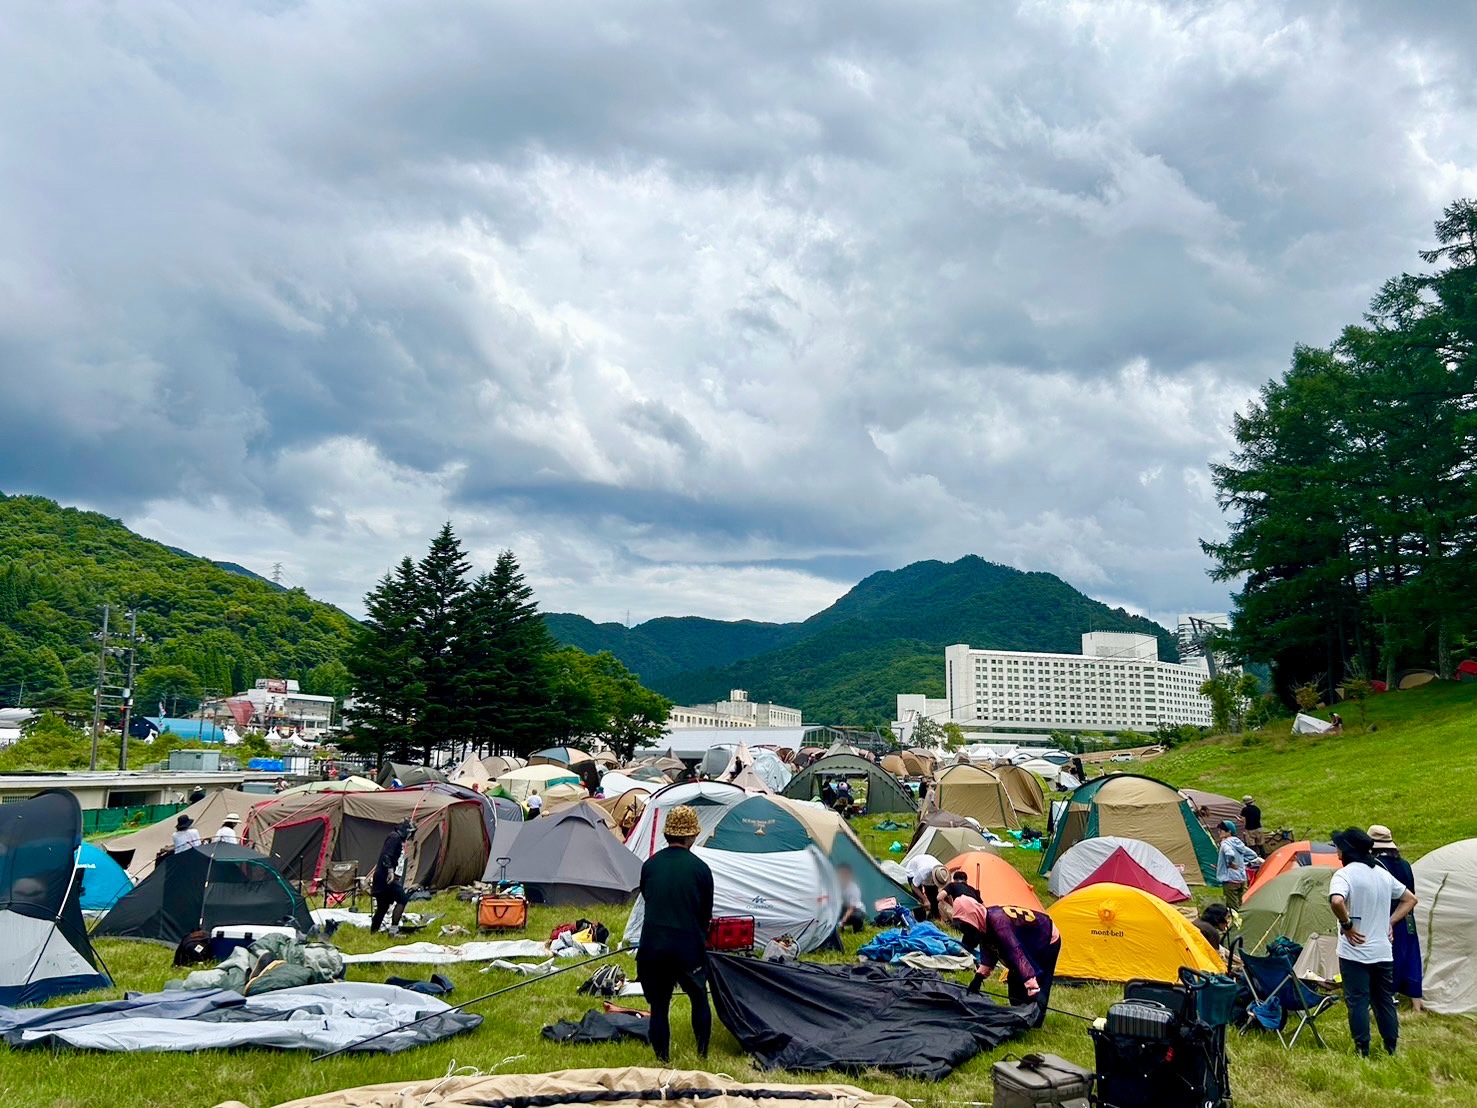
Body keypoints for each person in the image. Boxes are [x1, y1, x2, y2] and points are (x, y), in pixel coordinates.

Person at [1329, 827, 1418, 1057]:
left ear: (1345, 851)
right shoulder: (1381, 873)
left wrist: (1347, 925)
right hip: (1382, 951)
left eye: (1338, 845)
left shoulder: (1345, 874)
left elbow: (1337, 901)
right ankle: (1391, 1046)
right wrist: (1390, 922)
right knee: (1384, 1001)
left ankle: (1363, 1049)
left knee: (1357, 1001)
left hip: (1354, 952)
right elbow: (1410, 899)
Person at [637, 805, 714, 1063]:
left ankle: (662, 1060)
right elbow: (705, 914)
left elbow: (649, 898)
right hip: (687, 946)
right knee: (698, 998)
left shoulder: (650, 865)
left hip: (652, 946)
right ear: (691, 836)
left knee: (659, 1005)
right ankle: (702, 1055)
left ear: (667, 834)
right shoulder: (701, 869)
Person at [944, 889, 1061, 1029]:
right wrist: (979, 976)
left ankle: (1036, 1018)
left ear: (973, 916)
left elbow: (1016, 952)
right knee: (1015, 978)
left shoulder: (998, 922)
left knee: (1039, 980)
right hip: (1027, 939)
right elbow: (989, 951)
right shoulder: (984, 923)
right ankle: (1020, 1014)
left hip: (1046, 937)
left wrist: (1032, 986)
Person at [1369, 824, 1423, 1013]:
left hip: (1388, 918)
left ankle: (1386, 999)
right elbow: (1413, 893)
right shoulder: (1405, 864)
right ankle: (1417, 1005)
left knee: (1388, 960)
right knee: (1411, 958)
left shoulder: (1376, 866)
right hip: (1408, 918)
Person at [370, 819, 416, 935]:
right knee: (402, 899)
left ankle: (373, 932)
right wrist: (391, 872)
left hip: (383, 876)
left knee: (383, 906)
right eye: (410, 832)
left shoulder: (395, 838)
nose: (410, 835)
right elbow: (387, 855)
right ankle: (393, 931)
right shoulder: (394, 838)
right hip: (386, 877)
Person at [1215, 820, 1259, 909]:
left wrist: (1229, 863)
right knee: (1240, 904)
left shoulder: (1225, 843)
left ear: (1229, 832)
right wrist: (1242, 863)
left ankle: (1236, 922)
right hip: (1241, 879)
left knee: (1233, 907)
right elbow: (1252, 855)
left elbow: (1229, 853)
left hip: (1230, 880)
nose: (1219, 832)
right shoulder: (1239, 843)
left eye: (1221, 830)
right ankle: (1242, 921)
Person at [903, 854, 948, 920]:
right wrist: (925, 900)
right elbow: (914, 886)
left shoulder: (942, 872)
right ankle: (921, 920)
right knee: (919, 900)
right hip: (913, 871)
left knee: (933, 898)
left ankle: (934, 917)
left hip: (927, 867)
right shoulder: (923, 872)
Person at [835, 863, 867, 935]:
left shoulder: (853, 888)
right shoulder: (835, 887)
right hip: (843, 908)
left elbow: (851, 908)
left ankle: (858, 931)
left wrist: (842, 922)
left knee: (857, 917)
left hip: (856, 910)